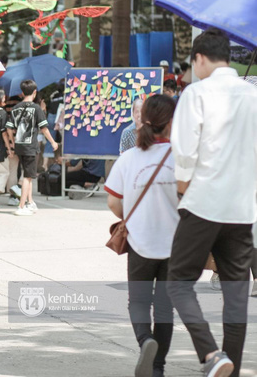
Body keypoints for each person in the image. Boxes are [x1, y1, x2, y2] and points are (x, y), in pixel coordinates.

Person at [167, 28, 257, 377]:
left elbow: (185, 151)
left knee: (178, 281)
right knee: (236, 294)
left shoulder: (196, 93)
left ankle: (210, 353)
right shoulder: (252, 96)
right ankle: (229, 370)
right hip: (241, 207)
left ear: (200, 58)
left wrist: (182, 188)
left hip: (203, 201)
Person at [105, 95, 178, 377]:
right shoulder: (181, 157)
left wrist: (133, 214)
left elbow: (113, 203)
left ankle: (145, 341)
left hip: (139, 243)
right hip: (175, 246)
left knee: (138, 302)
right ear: (171, 122)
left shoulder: (129, 158)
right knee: (164, 307)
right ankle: (158, 367)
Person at [6, 80, 58, 216]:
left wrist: (12, 142)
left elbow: (9, 127)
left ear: (22, 93)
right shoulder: (36, 108)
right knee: (28, 177)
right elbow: (44, 128)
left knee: (26, 174)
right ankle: (21, 206)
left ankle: (30, 202)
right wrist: (53, 142)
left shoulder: (16, 108)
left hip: (19, 145)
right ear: (34, 93)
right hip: (30, 146)